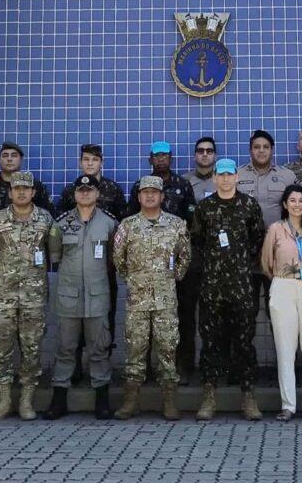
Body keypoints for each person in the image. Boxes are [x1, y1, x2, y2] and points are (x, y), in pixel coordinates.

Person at [188, 157, 267, 420]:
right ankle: (209, 397)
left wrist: (242, 264)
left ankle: (249, 397)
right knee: (211, 343)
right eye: (220, 174)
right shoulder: (205, 208)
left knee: (244, 342)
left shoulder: (248, 205)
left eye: (228, 174)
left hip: (242, 286)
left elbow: (258, 240)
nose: (224, 178)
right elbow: (196, 242)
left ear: (236, 177)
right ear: (214, 178)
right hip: (212, 286)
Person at [112, 175, 191, 420]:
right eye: (145, 192)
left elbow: (185, 256)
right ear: (138, 197)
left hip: (166, 300)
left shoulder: (176, 224)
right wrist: (134, 279)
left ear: (162, 196)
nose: (149, 196)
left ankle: (169, 401)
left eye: (154, 192)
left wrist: (171, 278)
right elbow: (118, 258)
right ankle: (130, 400)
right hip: (137, 300)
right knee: (135, 349)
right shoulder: (127, 225)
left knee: (168, 350)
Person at [0, 170, 54, 421]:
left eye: (26, 188)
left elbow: (53, 252)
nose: (21, 192)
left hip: (34, 296)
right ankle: (3, 400)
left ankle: (26, 400)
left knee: (32, 348)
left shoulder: (45, 219)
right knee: (1, 347)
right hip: (3, 294)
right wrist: (4, 274)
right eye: (16, 188)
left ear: (33, 192)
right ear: (10, 192)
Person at [47, 174, 118, 420]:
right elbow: (55, 256)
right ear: (75, 194)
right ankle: (58, 401)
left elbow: (113, 259)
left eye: (90, 189)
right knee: (65, 349)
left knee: (99, 349)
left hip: (98, 297)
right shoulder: (60, 224)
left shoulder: (110, 224)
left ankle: (102, 401)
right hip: (68, 297)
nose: (85, 193)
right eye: (81, 190)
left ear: (98, 194)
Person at [261, 184, 302, 421]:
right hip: (283, 286)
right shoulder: (275, 229)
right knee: (285, 349)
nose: (297, 204)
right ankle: (288, 404)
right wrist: (285, 279)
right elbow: (267, 264)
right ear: (284, 204)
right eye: (292, 200)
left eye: (301, 200)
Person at [178, 136, 218, 379]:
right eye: (201, 151)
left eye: (209, 151)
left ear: (214, 155)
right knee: (185, 315)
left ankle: (213, 367)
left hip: (217, 259)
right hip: (191, 258)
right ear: (195, 155)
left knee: (213, 316)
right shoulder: (184, 182)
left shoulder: (224, 180)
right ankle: (185, 366)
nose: (205, 155)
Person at [0, 141, 52, 216]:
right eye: (5, 155)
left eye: (14, 155)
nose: (9, 159)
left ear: (21, 159)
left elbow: (49, 215)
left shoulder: (35, 186)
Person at [237, 128, 295, 227]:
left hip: (277, 238)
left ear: (272, 150)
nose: (261, 150)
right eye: (256, 147)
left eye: (266, 147)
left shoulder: (287, 176)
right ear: (250, 150)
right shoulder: (237, 175)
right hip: (245, 239)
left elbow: (295, 209)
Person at [56, 143, 128, 219]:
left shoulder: (113, 189)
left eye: (95, 159)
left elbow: (122, 221)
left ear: (101, 163)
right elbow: (60, 220)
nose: (90, 163)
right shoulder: (71, 190)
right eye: (86, 159)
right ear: (80, 163)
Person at [128, 141, 193, 219]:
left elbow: (191, 216)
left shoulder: (183, 185)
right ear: (150, 160)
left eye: (165, 155)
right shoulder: (140, 185)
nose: (161, 159)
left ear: (171, 159)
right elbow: (132, 215)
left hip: (177, 229)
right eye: (156, 156)